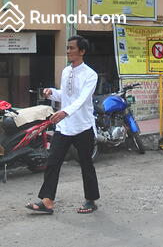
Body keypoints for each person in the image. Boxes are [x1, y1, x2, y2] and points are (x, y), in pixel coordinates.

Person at [26, 35, 99, 215]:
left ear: (82, 51)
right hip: (64, 126)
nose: (68, 51)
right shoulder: (66, 71)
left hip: (83, 126)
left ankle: (91, 200)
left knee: (86, 164)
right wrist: (51, 93)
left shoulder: (91, 75)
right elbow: (65, 95)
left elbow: (82, 99)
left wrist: (65, 111)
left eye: (72, 48)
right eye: (67, 48)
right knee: (53, 161)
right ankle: (47, 200)